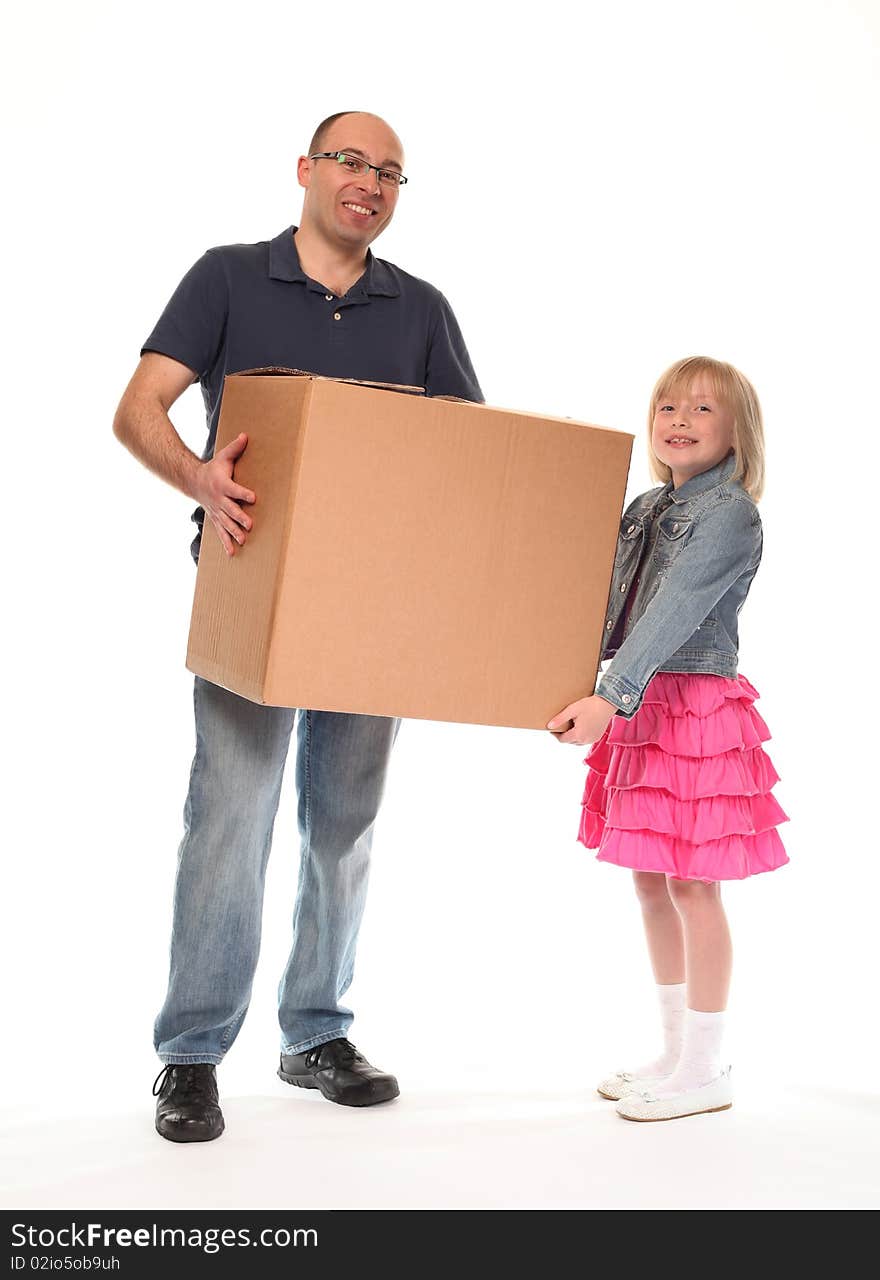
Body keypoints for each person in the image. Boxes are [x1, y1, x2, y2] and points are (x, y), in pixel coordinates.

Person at [112, 111, 483, 1142]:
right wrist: (196, 474)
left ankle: (314, 1028)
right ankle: (191, 1054)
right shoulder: (227, 277)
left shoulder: (421, 308)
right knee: (229, 814)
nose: (369, 182)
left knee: (344, 821)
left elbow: (467, 457)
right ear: (308, 171)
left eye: (391, 172)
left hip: (378, 602)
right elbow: (139, 404)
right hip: (253, 581)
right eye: (351, 161)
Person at [547, 356, 788, 1123]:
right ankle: (676, 1049)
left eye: (703, 410)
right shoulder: (648, 506)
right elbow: (599, 596)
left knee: (693, 882)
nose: (680, 420)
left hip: (689, 699)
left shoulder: (730, 515)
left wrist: (611, 697)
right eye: (669, 406)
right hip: (641, 698)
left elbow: (674, 610)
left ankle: (705, 1066)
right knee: (649, 878)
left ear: (738, 434)